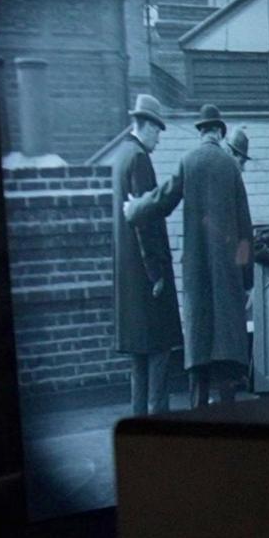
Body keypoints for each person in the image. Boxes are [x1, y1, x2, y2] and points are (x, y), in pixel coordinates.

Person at [130, 105, 256, 405]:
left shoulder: (188, 162)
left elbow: (162, 200)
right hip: (227, 279)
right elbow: (245, 232)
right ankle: (229, 417)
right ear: (219, 132)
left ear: (201, 132)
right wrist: (246, 279)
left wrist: (134, 209)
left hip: (197, 276)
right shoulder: (230, 167)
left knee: (199, 355)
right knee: (227, 356)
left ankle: (198, 416)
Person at [106, 94, 182, 416]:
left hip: (128, 280)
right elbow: (146, 222)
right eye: (158, 130)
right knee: (160, 355)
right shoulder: (139, 159)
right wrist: (156, 273)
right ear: (146, 125)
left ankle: (139, 427)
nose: (159, 138)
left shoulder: (121, 156)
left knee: (138, 361)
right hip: (146, 277)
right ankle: (161, 429)